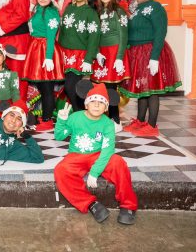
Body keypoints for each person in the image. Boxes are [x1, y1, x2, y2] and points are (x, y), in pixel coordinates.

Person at [54, 81, 137, 225]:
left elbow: (108, 150)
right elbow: (59, 136)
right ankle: (91, 204)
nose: (97, 105)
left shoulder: (107, 124)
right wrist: (61, 120)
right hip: (76, 156)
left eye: (101, 102)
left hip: (98, 156)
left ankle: (128, 205)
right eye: (93, 101)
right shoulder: (75, 117)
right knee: (61, 171)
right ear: (86, 104)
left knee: (119, 163)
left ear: (106, 107)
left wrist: (94, 172)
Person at [120, 0, 182, 137]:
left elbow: (160, 32)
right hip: (136, 53)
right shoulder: (136, 9)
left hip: (150, 52)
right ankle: (140, 121)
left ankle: (152, 125)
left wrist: (154, 58)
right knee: (142, 88)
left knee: (152, 90)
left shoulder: (156, 7)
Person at [23, 0, 65, 130]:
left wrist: (48, 57)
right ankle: (46, 116)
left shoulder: (51, 12)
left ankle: (47, 119)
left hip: (45, 49)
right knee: (42, 87)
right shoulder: (37, 9)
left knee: (47, 88)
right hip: (36, 48)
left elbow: (51, 36)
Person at [91, 0, 130, 132]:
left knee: (111, 88)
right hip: (102, 53)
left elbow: (123, 35)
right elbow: (95, 35)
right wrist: (97, 53)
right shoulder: (98, 12)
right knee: (101, 88)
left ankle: (115, 120)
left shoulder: (119, 11)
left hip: (114, 52)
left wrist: (119, 57)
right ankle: (104, 120)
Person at [57, 0, 100, 112]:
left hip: (80, 55)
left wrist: (88, 59)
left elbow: (94, 37)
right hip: (65, 54)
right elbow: (62, 33)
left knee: (70, 86)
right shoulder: (69, 9)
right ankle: (78, 113)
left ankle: (80, 113)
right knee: (68, 87)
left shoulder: (91, 13)